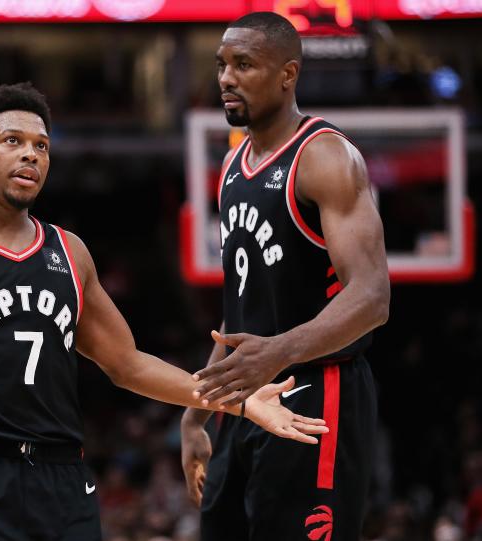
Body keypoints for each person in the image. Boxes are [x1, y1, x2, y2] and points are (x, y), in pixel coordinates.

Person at [0, 82, 328, 541]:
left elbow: (128, 364)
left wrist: (235, 401)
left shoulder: (69, 253)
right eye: (13, 141)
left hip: (61, 477)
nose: (31, 154)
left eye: (42, 146)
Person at [179, 12, 391, 541]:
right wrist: (194, 414)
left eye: (244, 65)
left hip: (319, 391)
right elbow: (239, 312)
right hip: (246, 400)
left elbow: (372, 296)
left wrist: (281, 350)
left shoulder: (325, 157)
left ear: (287, 74)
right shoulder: (232, 168)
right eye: (222, 65)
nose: (226, 78)